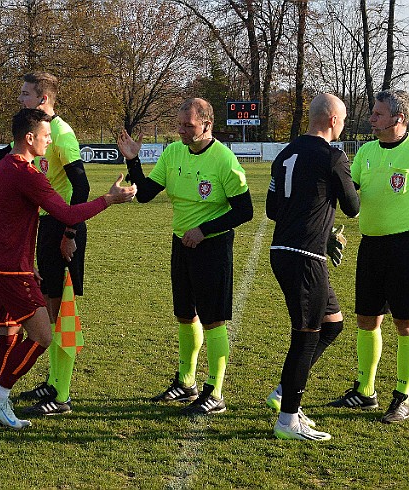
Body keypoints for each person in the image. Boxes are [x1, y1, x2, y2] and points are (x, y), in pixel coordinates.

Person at [0, 108, 136, 429]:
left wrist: (25, 263)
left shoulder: (4, 166)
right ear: (29, 138)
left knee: (8, 337)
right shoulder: (27, 173)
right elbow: (66, 214)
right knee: (41, 337)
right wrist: (108, 200)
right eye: (46, 136)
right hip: (11, 270)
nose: (49, 141)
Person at [0, 72, 90, 416]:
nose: (21, 99)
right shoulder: (27, 148)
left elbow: (81, 186)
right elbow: (5, 159)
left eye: (26, 94)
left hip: (61, 228)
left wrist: (70, 233)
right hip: (39, 230)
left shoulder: (59, 134)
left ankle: (61, 392)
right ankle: (40, 387)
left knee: (59, 314)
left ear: (43, 100)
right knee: (40, 317)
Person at [117, 97, 253, 416]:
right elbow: (147, 195)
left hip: (213, 248)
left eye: (187, 125)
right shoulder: (174, 151)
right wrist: (133, 161)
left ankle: (215, 391)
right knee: (184, 314)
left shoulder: (223, 159)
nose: (181, 130)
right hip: (181, 244)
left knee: (213, 319)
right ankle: (186, 382)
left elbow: (245, 210)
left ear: (206, 124)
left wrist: (204, 230)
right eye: (178, 124)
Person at [265, 94, 360, 441]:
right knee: (306, 336)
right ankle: (288, 418)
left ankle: (285, 393)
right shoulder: (333, 156)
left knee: (332, 324)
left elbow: (273, 209)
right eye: (345, 120)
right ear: (334, 120)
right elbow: (352, 206)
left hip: (286, 251)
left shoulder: (285, 153)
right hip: (304, 257)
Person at [329, 89, 409, 424]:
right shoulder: (366, 152)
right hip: (371, 246)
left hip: (405, 247)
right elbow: (350, 192)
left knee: (404, 324)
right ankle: (365, 390)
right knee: (367, 320)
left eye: (377, 115)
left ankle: (404, 395)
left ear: (398, 118)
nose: (371, 120)